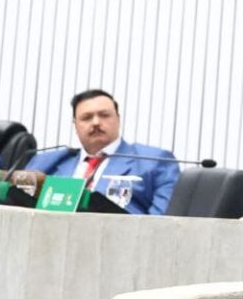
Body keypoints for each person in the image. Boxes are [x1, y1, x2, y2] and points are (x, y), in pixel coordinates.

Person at [25, 89, 179, 215]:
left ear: (117, 119)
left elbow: (161, 225)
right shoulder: (49, 162)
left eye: (104, 115)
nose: (96, 122)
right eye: (86, 118)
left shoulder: (155, 161)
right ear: (75, 125)